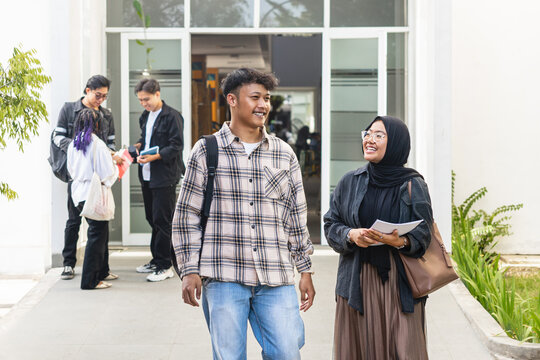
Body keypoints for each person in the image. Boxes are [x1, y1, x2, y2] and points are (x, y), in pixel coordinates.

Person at [172, 68, 315, 360]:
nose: (263, 104)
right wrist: (189, 269)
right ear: (233, 100)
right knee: (229, 357)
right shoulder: (206, 151)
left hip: (274, 275)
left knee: (287, 352)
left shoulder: (283, 153)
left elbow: (295, 216)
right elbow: (187, 214)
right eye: (255, 97)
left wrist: (305, 269)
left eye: (267, 98)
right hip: (224, 275)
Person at [323, 116, 433, 360]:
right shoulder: (349, 182)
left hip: (398, 281)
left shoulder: (413, 184)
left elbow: (424, 234)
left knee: (403, 348)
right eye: (368, 133)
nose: (369, 140)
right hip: (357, 281)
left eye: (379, 135)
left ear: (395, 143)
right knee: (359, 348)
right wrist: (351, 235)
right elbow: (331, 224)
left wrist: (400, 241)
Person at [52, 75, 122, 280]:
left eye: (104, 96)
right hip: (80, 178)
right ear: (87, 90)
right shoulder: (69, 109)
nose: (101, 100)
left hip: (98, 179)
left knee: (101, 225)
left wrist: (109, 155)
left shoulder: (106, 115)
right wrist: (80, 148)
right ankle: (68, 263)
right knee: (74, 221)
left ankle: (103, 268)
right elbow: (57, 137)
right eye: (98, 95)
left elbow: (110, 144)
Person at [133, 78, 185, 282]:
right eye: (140, 100)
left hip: (164, 175)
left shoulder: (172, 116)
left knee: (163, 221)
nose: (143, 103)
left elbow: (176, 146)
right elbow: (145, 139)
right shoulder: (146, 116)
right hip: (147, 174)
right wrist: (138, 146)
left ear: (157, 94)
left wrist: (155, 156)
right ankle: (156, 260)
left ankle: (165, 265)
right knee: (152, 218)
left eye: (146, 99)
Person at [67, 109, 118, 290]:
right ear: (97, 124)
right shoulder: (98, 145)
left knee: (99, 233)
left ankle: (103, 272)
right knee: (97, 236)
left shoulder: (74, 143)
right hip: (94, 194)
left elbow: (71, 170)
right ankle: (90, 281)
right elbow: (107, 175)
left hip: (79, 193)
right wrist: (116, 166)